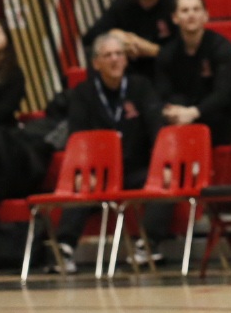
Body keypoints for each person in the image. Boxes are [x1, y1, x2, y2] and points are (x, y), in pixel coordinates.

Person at [52, 33, 164, 271]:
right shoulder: (83, 93)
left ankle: (147, 244)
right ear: (96, 63)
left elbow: (156, 128)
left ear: (126, 60)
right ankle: (64, 248)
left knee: (163, 180)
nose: (114, 59)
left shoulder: (141, 87)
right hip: (99, 173)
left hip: (135, 168)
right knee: (81, 183)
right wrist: (83, 172)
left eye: (119, 54)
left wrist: (161, 166)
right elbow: (78, 137)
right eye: (108, 55)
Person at [155, 0, 231, 147]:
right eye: (185, 10)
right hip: (183, 114)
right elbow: (163, 92)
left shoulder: (222, 47)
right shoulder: (167, 53)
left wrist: (193, 113)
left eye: (196, 9)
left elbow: (224, 94)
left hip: (220, 115)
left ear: (206, 16)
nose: (191, 15)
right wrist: (174, 111)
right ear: (175, 18)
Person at [83, 0, 178, 87]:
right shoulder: (123, 4)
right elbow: (89, 37)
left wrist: (149, 48)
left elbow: (182, 46)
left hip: (163, 65)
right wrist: (115, 35)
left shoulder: (171, 3)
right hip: (131, 66)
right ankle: (100, 95)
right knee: (96, 51)